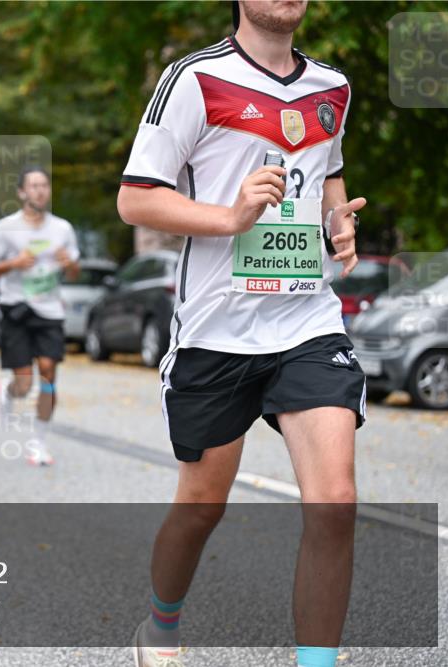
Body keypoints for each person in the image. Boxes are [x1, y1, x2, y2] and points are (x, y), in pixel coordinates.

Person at [116, 2, 366, 666]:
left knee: (335, 501)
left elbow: (328, 174)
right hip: (217, 329)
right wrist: (229, 217)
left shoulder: (332, 88)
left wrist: (338, 221)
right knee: (201, 506)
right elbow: (137, 197)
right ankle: (161, 625)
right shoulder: (194, 80)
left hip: (307, 320)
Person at [0, 167, 80, 467]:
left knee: (49, 372)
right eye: (33, 186)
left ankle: (38, 442)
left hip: (49, 311)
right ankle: (8, 393)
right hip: (16, 309)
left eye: (44, 185)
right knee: (23, 383)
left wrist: (69, 263)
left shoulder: (62, 228)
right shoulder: (6, 228)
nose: (39, 191)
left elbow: (75, 271)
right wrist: (13, 263)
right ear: (21, 192)